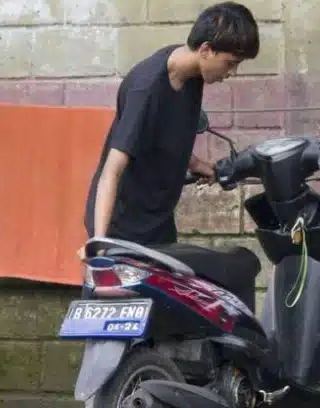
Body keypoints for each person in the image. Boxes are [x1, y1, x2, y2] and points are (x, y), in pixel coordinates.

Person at [78, 1, 259, 261]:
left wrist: (197, 164)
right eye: (230, 63)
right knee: (114, 300)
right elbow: (112, 170)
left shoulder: (191, 74)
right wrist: (99, 243)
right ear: (206, 50)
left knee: (168, 300)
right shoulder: (147, 89)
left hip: (157, 220)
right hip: (123, 227)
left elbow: (162, 134)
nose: (232, 72)